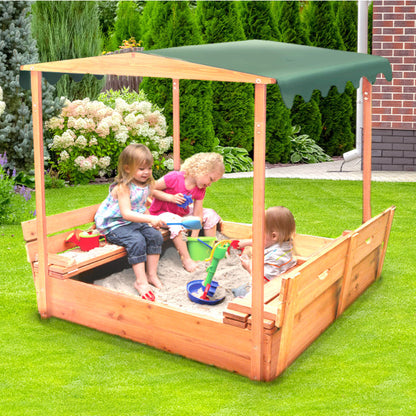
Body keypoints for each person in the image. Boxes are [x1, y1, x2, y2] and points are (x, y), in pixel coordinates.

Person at [95, 144, 166, 302]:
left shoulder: (146, 185)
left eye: (149, 168)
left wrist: (151, 221)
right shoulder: (123, 188)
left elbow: (140, 207)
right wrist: (150, 219)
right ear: (127, 168)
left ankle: (151, 275)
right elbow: (126, 213)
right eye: (141, 168)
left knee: (155, 235)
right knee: (136, 240)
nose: (146, 172)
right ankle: (140, 282)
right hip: (113, 225)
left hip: (130, 221)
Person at [149, 152, 225, 272]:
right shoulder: (174, 177)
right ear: (201, 169)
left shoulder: (201, 188)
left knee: (210, 214)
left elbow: (198, 214)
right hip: (161, 214)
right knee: (177, 221)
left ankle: (210, 250)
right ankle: (186, 258)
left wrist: (194, 236)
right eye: (210, 179)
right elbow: (151, 189)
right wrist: (171, 198)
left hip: (181, 214)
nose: (209, 184)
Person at [232, 206, 297, 297]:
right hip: (279, 284)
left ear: (274, 236)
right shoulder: (285, 245)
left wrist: (249, 266)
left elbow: (261, 281)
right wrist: (246, 243)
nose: (256, 236)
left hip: (267, 294)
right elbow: (265, 243)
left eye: (259, 233)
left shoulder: (274, 259)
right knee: (240, 289)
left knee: (240, 295)